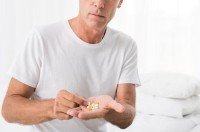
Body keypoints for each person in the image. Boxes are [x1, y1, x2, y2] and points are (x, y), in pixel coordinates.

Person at [1, 0, 140, 131]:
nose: (99, 3)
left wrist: (109, 111)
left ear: (120, 1)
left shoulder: (126, 46)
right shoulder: (42, 37)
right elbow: (9, 109)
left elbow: (127, 115)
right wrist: (52, 108)